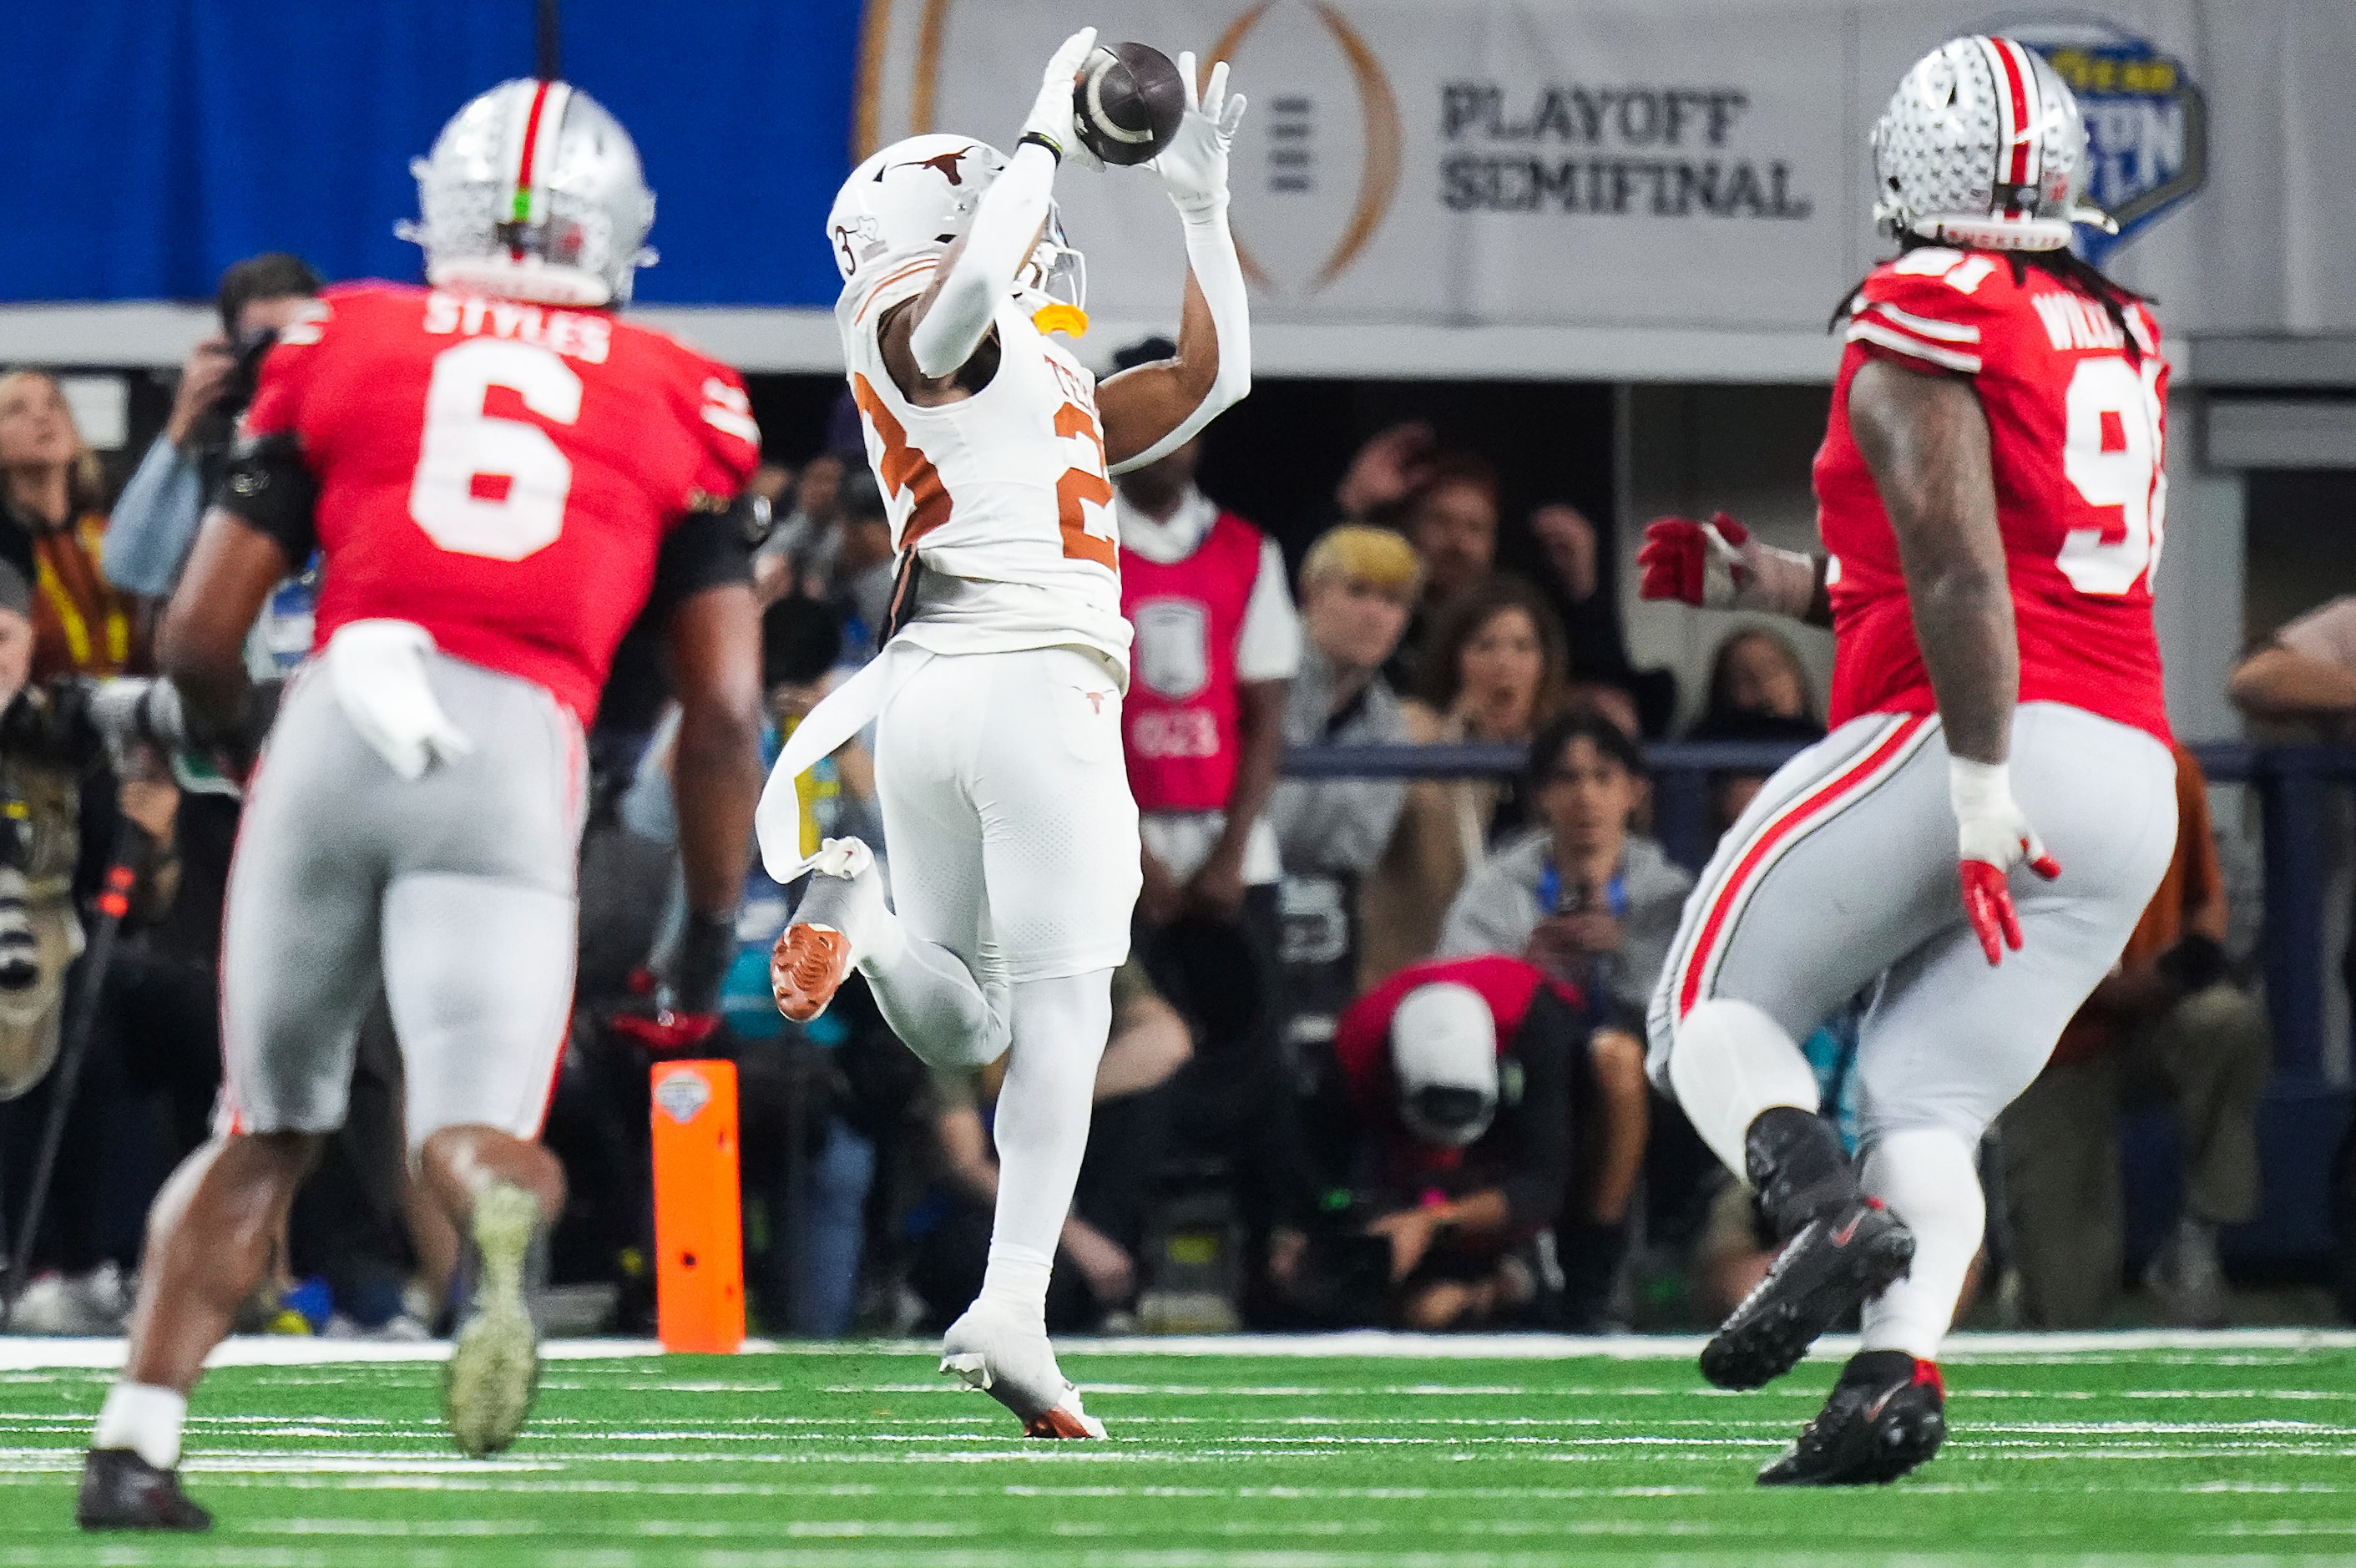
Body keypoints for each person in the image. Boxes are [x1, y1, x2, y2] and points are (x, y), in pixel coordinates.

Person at [77, 78, 766, 1530]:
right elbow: (719, 713)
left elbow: (200, 639)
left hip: (341, 708)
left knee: (263, 1119)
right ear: (617, 231)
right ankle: (488, 1203)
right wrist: (711, 921)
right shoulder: (676, 391)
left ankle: (137, 1441)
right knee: (466, 1116)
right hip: (513, 747)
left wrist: (226, 751)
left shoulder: (345, 334)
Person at [1633, 37, 2177, 1485]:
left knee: (1702, 1006)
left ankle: (1813, 1205)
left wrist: (1979, 783)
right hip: (2125, 773)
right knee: (1924, 1096)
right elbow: (1957, 568)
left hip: (1977, 738)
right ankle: (1888, 1375)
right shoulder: (2110, 319)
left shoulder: (1927, 298)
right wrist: (1762, 584)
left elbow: (1951, 561)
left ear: (1906, 164)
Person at [757, 33, 1251, 1439]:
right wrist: (1040, 136)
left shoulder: (1046, 381)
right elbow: (964, 291)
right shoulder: (917, 313)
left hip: (933, 690)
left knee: (967, 1016)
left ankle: (858, 911)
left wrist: (1199, 211)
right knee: (1068, 1004)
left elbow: (1214, 382)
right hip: (1033, 678)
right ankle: (1015, 1305)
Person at [2001, 745, 2271, 1328]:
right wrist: (2103, 987)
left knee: (2227, 1021)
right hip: (2047, 1043)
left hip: (2153, 1019)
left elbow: (2208, 900)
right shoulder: (2013, 774)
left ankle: (2197, 1235)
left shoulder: (2173, 768)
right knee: (2064, 1311)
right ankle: (2027, 1269)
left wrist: (2185, 962)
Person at [1309, 954, 1648, 1330]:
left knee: (1618, 1061)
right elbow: (1331, 1181)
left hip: (1508, 1173)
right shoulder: (1351, 1056)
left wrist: (1430, 1221)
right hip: (1413, 1188)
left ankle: (1591, 1287)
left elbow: (1541, 1185)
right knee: (1425, 1310)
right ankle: (1500, 1287)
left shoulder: (1538, 1023)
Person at [908, 960, 1192, 1333]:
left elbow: (1166, 1041)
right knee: (1022, 1280)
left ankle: (1105, 1288)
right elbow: (964, 1162)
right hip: (983, 1200)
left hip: (1056, 1153)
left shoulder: (1081, 941)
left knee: (1145, 1102)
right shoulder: (953, 981)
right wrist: (1073, 1235)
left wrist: (1054, 1104)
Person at [1361, 576, 1570, 975]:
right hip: (1425, 970)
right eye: (1484, 646)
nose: (1504, 664)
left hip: (1535, 979)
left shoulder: (1566, 752)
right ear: (1453, 658)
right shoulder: (1415, 731)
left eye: (1522, 647)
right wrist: (1463, 745)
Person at [1438, 712, 1693, 1027]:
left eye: (1602, 777)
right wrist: (1521, 970)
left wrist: (1623, 951)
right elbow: (1452, 993)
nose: (1585, 796)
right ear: (1541, 795)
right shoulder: (1493, 888)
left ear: (1634, 792)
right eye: (1567, 779)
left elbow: (1688, 1007)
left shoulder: (1671, 895)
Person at [104, 254, 326, 604]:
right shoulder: (216, 448)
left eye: (298, 340)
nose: (286, 359)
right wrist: (184, 421)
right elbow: (130, 568)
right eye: (268, 344)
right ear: (233, 351)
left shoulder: (355, 428)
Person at [1271, 525, 1422, 1020]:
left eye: (1394, 601)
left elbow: (1351, 854)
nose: (1377, 614)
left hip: (1321, 921)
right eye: (1358, 592)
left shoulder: (1390, 726)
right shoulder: (1253, 678)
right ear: (1310, 594)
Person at [0, 369, 140, 680]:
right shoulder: (7, 552)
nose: (42, 417)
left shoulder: (111, 535)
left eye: (54, 404)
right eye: (16, 409)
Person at [1701, 626, 1818, 728]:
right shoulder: (1703, 749)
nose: (1764, 685)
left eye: (1772, 672)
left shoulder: (1827, 747)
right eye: (1746, 678)